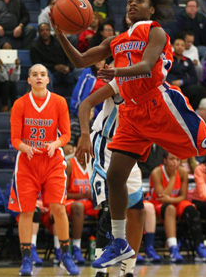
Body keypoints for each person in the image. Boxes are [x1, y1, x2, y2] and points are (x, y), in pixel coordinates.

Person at [50, 0, 206, 269]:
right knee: (115, 177)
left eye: (140, 0)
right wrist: (61, 33)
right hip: (132, 113)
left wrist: (117, 71)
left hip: (160, 103)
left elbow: (148, 65)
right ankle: (120, 242)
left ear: (151, 9)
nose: (133, 3)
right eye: (129, 0)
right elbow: (78, 59)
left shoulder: (155, 31)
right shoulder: (115, 40)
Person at [7, 64, 79, 276]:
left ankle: (66, 256)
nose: (39, 77)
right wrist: (24, 147)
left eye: (43, 75)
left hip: (52, 161)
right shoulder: (20, 104)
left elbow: (66, 135)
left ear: (48, 79)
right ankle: (26, 259)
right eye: (34, 75)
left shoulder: (58, 102)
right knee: (26, 211)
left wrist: (56, 144)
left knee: (58, 207)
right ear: (28, 80)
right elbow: (14, 139)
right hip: (28, 163)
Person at [76, 79, 145, 277]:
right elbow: (85, 104)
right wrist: (84, 134)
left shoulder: (156, 88)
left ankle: (128, 271)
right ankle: (101, 271)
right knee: (109, 207)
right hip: (104, 145)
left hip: (129, 149)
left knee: (137, 211)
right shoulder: (121, 80)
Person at [148, 151, 206, 262]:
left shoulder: (183, 172)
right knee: (170, 208)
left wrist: (170, 199)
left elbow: (183, 196)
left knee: (191, 208)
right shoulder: (157, 172)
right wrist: (173, 177)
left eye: (178, 160)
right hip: (158, 204)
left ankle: (199, 246)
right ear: (164, 160)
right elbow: (162, 196)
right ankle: (173, 248)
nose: (175, 163)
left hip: (175, 201)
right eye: (172, 159)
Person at [65, 152, 100, 265]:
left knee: (107, 208)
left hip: (89, 202)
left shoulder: (94, 165)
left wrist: (94, 194)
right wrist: (83, 195)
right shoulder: (70, 165)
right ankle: (76, 248)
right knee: (78, 207)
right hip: (72, 202)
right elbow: (63, 194)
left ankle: (106, 247)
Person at [30, 23, 84, 93]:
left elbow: (69, 56)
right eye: (42, 30)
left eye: (47, 30)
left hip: (66, 72)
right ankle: (49, 101)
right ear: (39, 32)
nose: (45, 32)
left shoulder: (59, 42)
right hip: (52, 73)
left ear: (50, 31)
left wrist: (68, 67)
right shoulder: (35, 46)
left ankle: (77, 99)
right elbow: (37, 64)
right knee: (44, 74)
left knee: (82, 71)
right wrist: (54, 67)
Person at [167, 37, 206, 110]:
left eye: (182, 45)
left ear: (184, 47)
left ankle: (190, 111)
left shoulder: (188, 61)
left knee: (200, 90)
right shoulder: (167, 59)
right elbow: (163, 73)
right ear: (173, 46)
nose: (180, 47)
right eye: (177, 45)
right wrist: (171, 83)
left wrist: (182, 82)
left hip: (183, 86)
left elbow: (194, 78)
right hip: (168, 86)